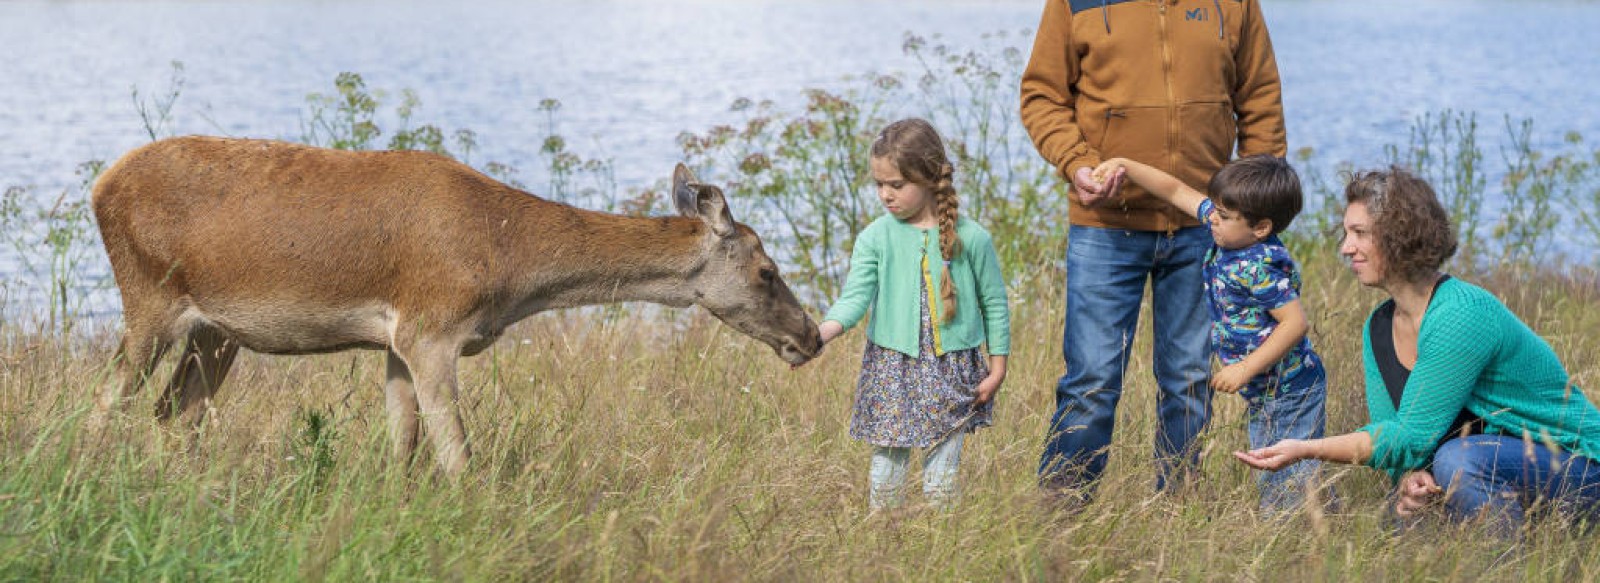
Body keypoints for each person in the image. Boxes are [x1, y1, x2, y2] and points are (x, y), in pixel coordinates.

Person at [1235, 167, 1600, 535]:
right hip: (1497, 461)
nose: (1346, 248)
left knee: (1457, 461)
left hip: (1581, 465)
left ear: (1399, 236)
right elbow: (1392, 434)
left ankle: (1503, 567)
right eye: (1346, 233)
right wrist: (1410, 476)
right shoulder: (1378, 327)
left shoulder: (1460, 314)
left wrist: (1304, 448)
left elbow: (1410, 437)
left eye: (1359, 233)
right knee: (1397, 520)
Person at [1022, 0, 1288, 497]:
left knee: (1189, 381)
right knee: (1092, 383)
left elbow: (1260, 100)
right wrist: (1076, 163)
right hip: (1104, 227)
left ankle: (1179, 514)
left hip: (1204, 229)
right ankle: (1061, 517)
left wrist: (1254, 204)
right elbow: (1042, 97)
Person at [1093, 154, 1326, 514]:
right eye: (1214, 209)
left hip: (1290, 390)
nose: (1212, 219)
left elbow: (1295, 323)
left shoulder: (1259, 266)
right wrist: (1126, 165)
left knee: (1281, 477)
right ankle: (1320, 511)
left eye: (1224, 216)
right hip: (1267, 391)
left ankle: (1295, 535)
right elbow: (1174, 189)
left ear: (1261, 227)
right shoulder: (1229, 225)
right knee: (1282, 469)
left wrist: (1244, 369)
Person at [818, 118, 1011, 510]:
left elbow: (995, 303)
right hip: (893, 367)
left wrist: (998, 367)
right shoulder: (875, 237)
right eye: (879, 184)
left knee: (941, 484)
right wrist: (819, 334)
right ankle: (885, 548)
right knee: (886, 475)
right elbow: (854, 299)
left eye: (896, 185)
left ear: (928, 178)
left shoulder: (972, 237)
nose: (885, 195)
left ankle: (943, 553)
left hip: (953, 368)